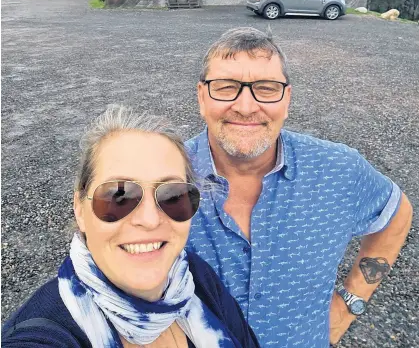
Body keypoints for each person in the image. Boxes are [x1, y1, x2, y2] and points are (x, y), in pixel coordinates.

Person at [185, 27, 413, 347]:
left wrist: (349, 303)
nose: (247, 106)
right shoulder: (160, 178)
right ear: (201, 96)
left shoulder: (338, 170)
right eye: (226, 87)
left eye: (266, 89)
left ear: (287, 99)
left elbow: (398, 213)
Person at [3, 105, 260, 348]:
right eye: (119, 196)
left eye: (172, 195)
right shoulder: (42, 334)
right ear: (80, 209)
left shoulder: (197, 277)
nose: (149, 219)